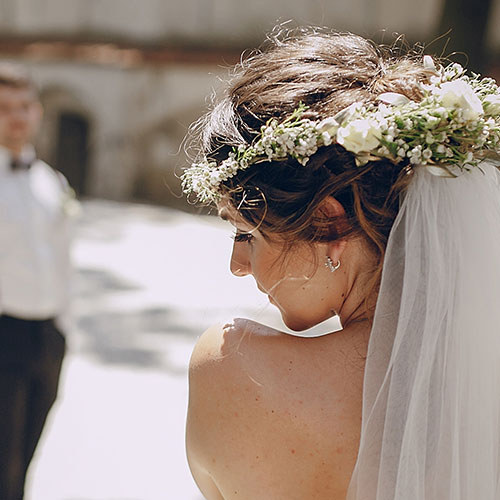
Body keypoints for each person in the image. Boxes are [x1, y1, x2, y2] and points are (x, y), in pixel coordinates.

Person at [183, 29, 500, 499]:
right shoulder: (480, 386)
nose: (238, 264)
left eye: (248, 233)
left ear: (330, 225)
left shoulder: (231, 369)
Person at [0, 63, 76, 499]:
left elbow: (63, 259)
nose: (17, 116)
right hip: (4, 332)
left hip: (47, 337)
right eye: (5, 108)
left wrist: (64, 327)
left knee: (26, 456)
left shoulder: (53, 182)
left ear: (38, 112)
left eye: (24, 106)